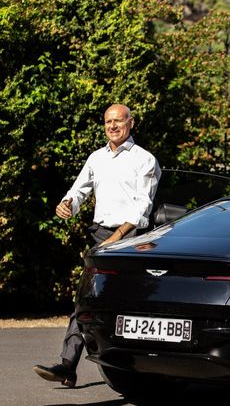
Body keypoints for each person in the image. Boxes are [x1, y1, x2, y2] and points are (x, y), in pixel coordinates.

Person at [33, 104, 161, 388]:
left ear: (131, 123)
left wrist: (119, 235)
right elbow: (79, 189)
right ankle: (67, 365)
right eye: (108, 122)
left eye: (118, 121)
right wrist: (68, 204)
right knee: (88, 297)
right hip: (101, 237)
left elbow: (144, 205)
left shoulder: (145, 159)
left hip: (133, 240)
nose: (113, 126)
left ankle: (148, 369)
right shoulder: (96, 158)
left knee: (133, 305)